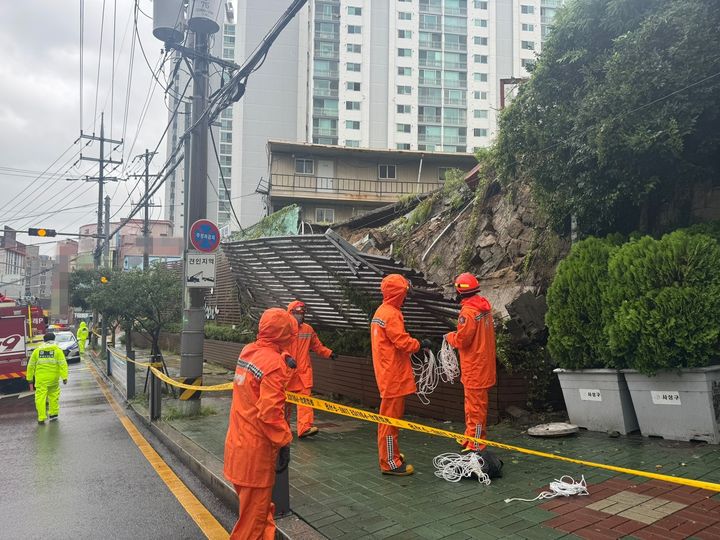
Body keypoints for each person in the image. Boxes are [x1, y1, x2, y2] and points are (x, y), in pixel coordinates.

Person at [224, 307, 298, 540]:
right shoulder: (273, 365)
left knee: (261, 514)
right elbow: (270, 415)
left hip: (238, 449)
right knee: (251, 527)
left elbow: (263, 369)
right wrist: (285, 441)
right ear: (284, 334)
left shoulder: (248, 352)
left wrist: (283, 357)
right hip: (256, 456)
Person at [371, 274, 430, 476]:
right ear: (399, 294)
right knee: (390, 422)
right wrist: (420, 344)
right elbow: (402, 342)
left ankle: (391, 454)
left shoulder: (382, 311)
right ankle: (390, 462)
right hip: (393, 376)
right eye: (404, 293)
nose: (406, 297)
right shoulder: (391, 314)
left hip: (389, 374)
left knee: (389, 420)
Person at [445, 272, 496, 452]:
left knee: (476, 408)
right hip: (482, 365)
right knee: (473, 405)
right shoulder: (484, 308)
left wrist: (450, 337)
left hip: (475, 367)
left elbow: (462, 340)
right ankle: (470, 437)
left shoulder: (468, 312)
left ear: (459, 291)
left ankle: (477, 442)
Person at [286, 300, 335, 439]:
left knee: (305, 401)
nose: (301, 316)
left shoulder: (308, 329)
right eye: (298, 313)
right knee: (284, 404)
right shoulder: (284, 329)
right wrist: (286, 358)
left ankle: (305, 428)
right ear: (291, 313)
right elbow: (277, 347)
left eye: (302, 313)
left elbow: (317, 346)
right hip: (287, 373)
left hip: (303, 373)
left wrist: (329, 353)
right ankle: (283, 429)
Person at [26, 332, 68, 424]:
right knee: (53, 396)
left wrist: (29, 378)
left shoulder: (37, 351)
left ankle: (41, 417)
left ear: (44, 340)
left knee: (40, 398)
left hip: (41, 379)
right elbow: (63, 364)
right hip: (53, 379)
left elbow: (31, 365)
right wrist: (64, 377)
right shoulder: (57, 350)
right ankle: (53, 414)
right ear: (54, 339)